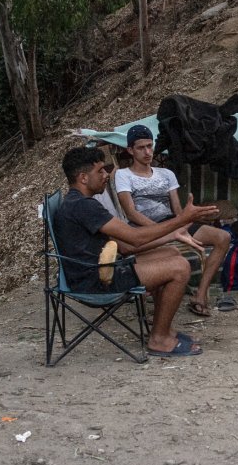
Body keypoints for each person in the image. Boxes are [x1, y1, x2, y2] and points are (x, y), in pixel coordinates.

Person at [54, 146, 219, 358]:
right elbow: (134, 238)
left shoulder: (79, 203)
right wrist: (184, 219)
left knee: (171, 254)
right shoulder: (84, 207)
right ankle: (159, 340)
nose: (107, 175)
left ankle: (163, 330)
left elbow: (125, 246)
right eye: (101, 171)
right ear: (83, 178)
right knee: (180, 268)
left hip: (99, 269)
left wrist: (173, 235)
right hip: (97, 280)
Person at [112, 125, 234, 317]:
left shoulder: (166, 174)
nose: (147, 152)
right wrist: (165, 231)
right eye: (141, 147)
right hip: (144, 228)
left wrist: (185, 222)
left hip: (172, 222)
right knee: (169, 250)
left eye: (150, 146)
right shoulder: (123, 174)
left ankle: (200, 296)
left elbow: (177, 210)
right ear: (130, 150)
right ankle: (156, 303)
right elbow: (131, 212)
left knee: (223, 237)